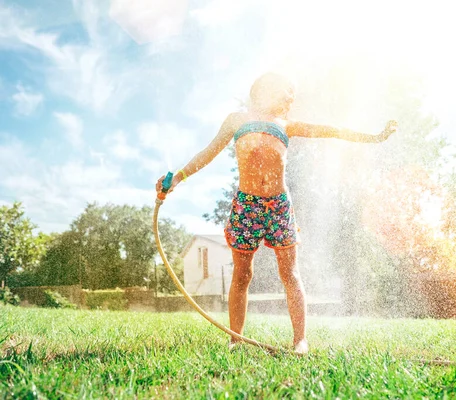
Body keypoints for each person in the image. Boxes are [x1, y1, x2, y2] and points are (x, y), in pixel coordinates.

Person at [156, 72, 397, 354]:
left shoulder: (286, 124)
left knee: (290, 273)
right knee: (242, 275)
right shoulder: (237, 120)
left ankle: (300, 341)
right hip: (247, 206)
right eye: (286, 90)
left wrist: (374, 137)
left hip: (279, 205)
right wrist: (179, 177)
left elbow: (331, 130)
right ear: (265, 89)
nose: (290, 97)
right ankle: (236, 339)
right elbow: (209, 152)